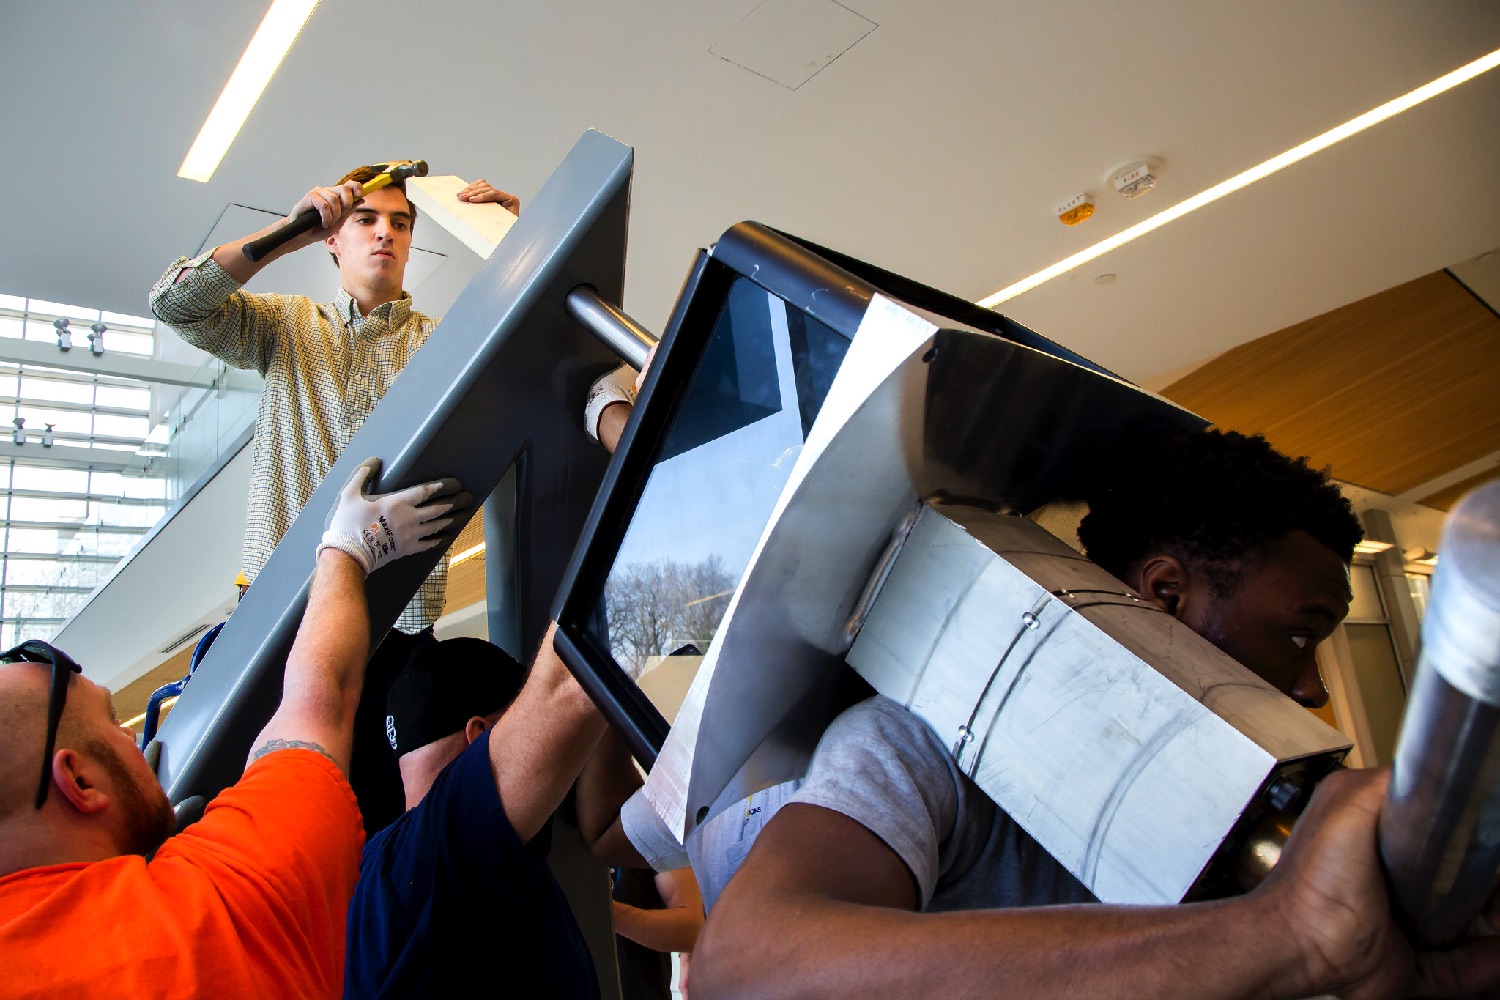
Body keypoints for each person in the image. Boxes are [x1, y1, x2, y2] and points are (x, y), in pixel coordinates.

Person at [690, 429, 1500, 999]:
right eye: (1299, 634)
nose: (1315, 687)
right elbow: (749, 967)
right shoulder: (922, 750)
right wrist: (1283, 934)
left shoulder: (1257, 827)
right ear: (1165, 594)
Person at [0, 457, 467, 998]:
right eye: (111, 725)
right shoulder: (211, 907)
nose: (135, 740)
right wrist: (348, 549)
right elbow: (319, 701)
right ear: (79, 783)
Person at [149, 168, 518, 834]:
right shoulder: (289, 327)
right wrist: (289, 233)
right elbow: (176, 304)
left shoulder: (444, 343)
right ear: (333, 240)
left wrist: (519, 241)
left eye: (399, 224)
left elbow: (531, 358)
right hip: (277, 627)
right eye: (365, 220)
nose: (384, 234)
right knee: (279, 827)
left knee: (374, 833)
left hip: (398, 633)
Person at [343, 631, 608, 998]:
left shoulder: (385, 871)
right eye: (518, 722)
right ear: (481, 734)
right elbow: (570, 686)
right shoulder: (442, 854)